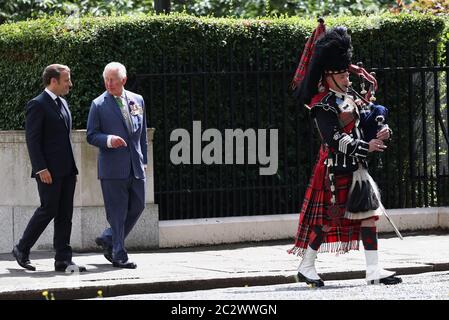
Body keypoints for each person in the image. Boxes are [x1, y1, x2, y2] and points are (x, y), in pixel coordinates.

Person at [288, 22, 402, 287]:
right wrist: (367, 147)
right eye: (341, 75)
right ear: (328, 76)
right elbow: (335, 139)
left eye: (346, 74)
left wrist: (383, 128)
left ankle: (373, 271)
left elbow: (374, 112)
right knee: (328, 219)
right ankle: (306, 265)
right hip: (334, 169)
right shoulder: (322, 105)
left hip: (357, 168)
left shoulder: (349, 96)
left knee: (369, 216)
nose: (346, 79)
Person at [13, 64, 85, 272]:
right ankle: (21, 248)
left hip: (67, 170)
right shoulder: (37, 104)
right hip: (48, 172)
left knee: (65, 214)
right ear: (53, 81)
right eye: (66, 80)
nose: (70, 84)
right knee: (48, 210)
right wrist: (40, 168)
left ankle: (63, 258)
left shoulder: (63, 103)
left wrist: (71, 168)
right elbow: (32, 140)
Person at [87, 62, 148, 269]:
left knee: (138, 205)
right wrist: (108, 140)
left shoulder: (137, 100)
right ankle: (119, 254)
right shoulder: (98, 104)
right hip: (112, 168)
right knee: (117, 212)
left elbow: (142, 136)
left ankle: (109, 238)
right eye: (106, 79)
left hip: (135, 165)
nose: (109, 83)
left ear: (124, 80)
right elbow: (91, 135)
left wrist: (144, 160)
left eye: (113, 80)